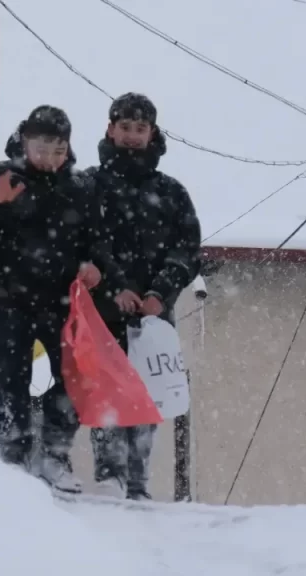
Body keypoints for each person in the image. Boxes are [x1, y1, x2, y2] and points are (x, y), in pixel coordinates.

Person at [0, 105, 138, 493]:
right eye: (42, 147)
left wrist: (98, 269)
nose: (50, 157)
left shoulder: (79, 185)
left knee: (77, 379)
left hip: (62, 303)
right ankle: (14, 454)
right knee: (12, 379)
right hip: (8, 299)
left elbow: (98, 242)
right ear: (25, 141)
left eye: (59, 149)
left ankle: (53, 452)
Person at [84, 92, 202, 500]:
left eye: (140, 128)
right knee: (107, 392)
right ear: (110, 129)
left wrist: (158, 293)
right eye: (125, 127)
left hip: (153, 318)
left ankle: (138, 486)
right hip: (103, 313)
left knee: (148, 396)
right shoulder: (88, 185)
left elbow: (188, 250)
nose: (132, 136)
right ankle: (110, 478)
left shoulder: (171, 192)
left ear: (152, 133)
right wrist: (114, 288)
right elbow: (85, 242)